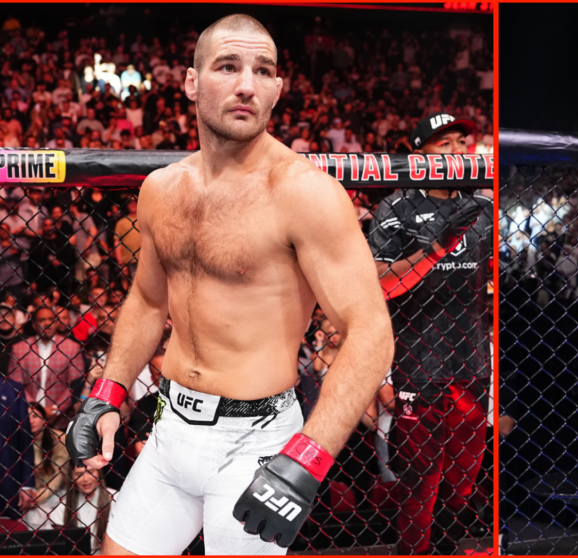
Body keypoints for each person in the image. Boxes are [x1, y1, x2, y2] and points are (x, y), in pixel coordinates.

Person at [64, 14, 394, 555]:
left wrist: (307, 457)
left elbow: (371, 332)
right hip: (171, 429)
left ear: (278, 89)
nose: (247, 84)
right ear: (192, 82)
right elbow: (148, 300)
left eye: (263, 71)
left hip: (257, 439)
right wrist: (108, 392)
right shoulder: (162, 189)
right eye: (228, 66)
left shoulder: (305, 194)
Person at [369, 112, 491, 553]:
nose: (457, 150)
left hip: (473, 364)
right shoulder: (396, 206)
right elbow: (381, 283)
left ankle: (447, 544)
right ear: (419, 154)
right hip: (419, 365)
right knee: (420, 481)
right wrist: (432, 249)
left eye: (461, 141)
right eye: (444, 144)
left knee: (463, 482)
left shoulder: (483, 205)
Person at [7, 306, 86, 429]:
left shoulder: (72, 348)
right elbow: (15, 384)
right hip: (29, 417)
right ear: (34, 325)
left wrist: (56, 410)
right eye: (42, 320)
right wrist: (36, 410)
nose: (47, 323)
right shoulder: (19, 349)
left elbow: (75, 385)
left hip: (62, 420)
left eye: (51, 319)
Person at [0, 366, 34, 519]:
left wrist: (27, 483)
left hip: (6, 481)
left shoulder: (12, 390)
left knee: (3, 535)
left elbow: (25, 440)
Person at [46, 465, 118, 554]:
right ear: (72, 477)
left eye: (91, 472)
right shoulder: (64, 506)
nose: (85, 479)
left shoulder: (116, 498)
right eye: (79, 474)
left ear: (99, 473)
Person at [20, 403, 70, 530]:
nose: (31, 421)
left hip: (56, 492)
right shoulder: (18, 441)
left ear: (44, 419)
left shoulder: (59, 439)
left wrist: (38, 499)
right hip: (28, 493)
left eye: (35, 416)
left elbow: (57, 477)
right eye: (27, 417)